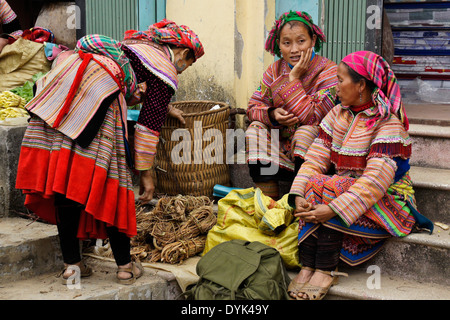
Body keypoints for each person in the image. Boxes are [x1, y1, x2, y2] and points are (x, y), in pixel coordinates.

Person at [15, 19, 204, 285]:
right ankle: (125, 267)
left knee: (64, 181)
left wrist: (165, 107)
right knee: (111, 185)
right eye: (189, 64)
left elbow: (135, 86)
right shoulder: (165, 70)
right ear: (183, 53)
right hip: (98, 100)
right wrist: (146, 175)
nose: (183, 69)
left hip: (61, 87)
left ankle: (72, 265)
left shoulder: (135, 47)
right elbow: (147, 130)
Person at [287, 51, 434, 300]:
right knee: (314, 183)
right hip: (347, 195)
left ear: (361, 85)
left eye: (341, 80)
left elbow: (373, 184)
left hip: (388, 203)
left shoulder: (387, 125)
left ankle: (325, 269)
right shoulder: (337, 114)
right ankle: (308, 266)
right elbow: (315, 158)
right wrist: (298, 194)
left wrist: (332, 208)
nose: (336, 87)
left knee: (334, 185)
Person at [246, 11, 338, 200]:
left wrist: (294, 79)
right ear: (279, 44)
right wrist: (272, 114)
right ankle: (269, 204)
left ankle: (299, 200)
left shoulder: (329, 71)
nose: (294, 49)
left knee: (306, 131)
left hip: (314, 152)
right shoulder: (274, 71)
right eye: (287, 43)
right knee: (254, 130)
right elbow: (253, 108)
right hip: (280, 147)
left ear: (313, 40)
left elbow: (313, 118)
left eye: (301, 41)